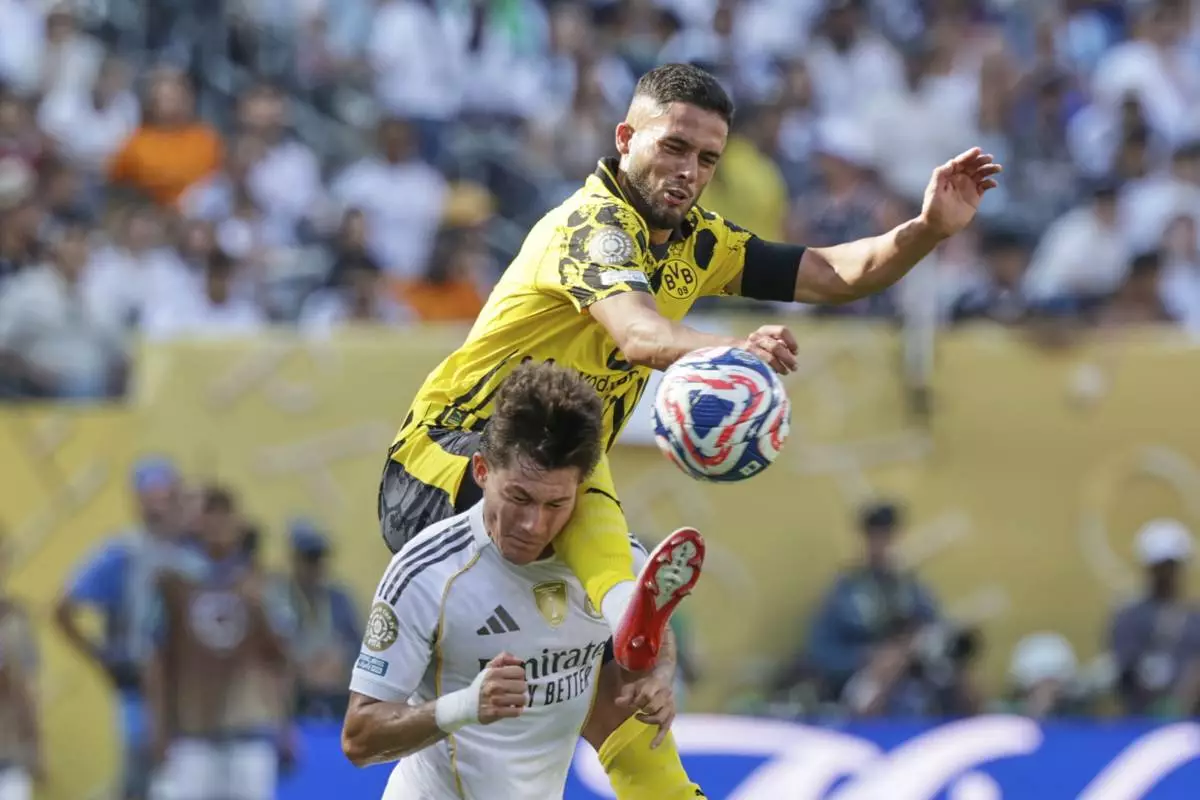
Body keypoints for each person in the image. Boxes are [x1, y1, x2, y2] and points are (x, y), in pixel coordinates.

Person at [377, 62, 1001, 794]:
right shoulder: (590, 229)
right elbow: (640, 334)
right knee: (574, 587)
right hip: (451, 461)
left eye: (707, 159)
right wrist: (730, 351)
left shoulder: (696, 243)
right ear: (626, 138)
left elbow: (835, 273)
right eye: (673, 147)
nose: (689, 171)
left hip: (565, 468)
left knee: (619, 699)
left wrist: (927, 228)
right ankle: (626, 614)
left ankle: (630, 622)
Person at [345, 363, 697, 799]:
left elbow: (648, 630)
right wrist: (465, 707)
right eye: (519, 497)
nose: (534, 524)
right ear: (481, 471)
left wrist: (658, 677)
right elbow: (358, 737)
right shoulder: (428, 571)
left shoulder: (614, 565)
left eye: (556, 503)